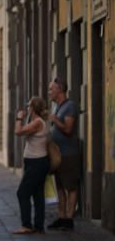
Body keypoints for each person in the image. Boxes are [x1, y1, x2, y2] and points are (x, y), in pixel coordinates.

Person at [13, 97, 51, 234]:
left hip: (37, 163)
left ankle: (27, 225)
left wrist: (19, 118)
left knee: (22, 193)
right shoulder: (36, 121)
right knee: (37, 194)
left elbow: (18, 132)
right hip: (35, 162)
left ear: (33, 108)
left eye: (29, 105)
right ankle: (39, 226)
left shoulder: (37, 123)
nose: (27, 108)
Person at [47, 78, 80, 231]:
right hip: (57, 155)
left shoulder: (70, 106)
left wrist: (55, 120)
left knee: (70, 187)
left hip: (68, 154)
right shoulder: (57, 107)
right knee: (59, 187)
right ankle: (61, 216)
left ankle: (69, 218)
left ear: (60, 89)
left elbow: (68, 129)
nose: (50, 92)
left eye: (51, 89)